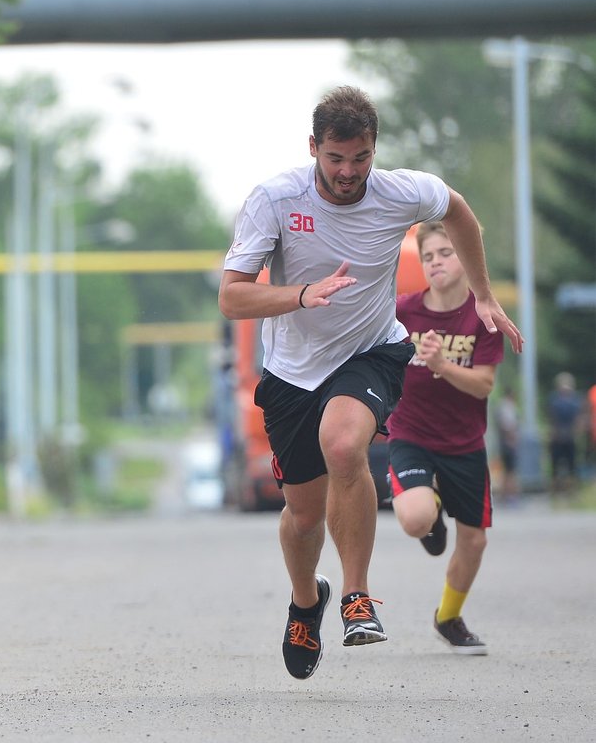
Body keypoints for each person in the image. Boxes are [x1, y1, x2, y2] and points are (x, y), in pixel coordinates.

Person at [218, 86, 523, 681]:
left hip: (371, 350)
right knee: (302, 516)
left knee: (344, 443)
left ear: (373, 150)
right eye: (335, 158)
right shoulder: (276, 199)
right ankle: (308, 601)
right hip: (291, 370)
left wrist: (484, 294)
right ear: (314, 148)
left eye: (360, 158)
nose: (348, 172)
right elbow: (232, 296)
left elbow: (457, 211)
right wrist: (302, 294)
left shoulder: (400, 192)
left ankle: (357, 597)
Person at [386, 221, 504, 656]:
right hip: (411, 434)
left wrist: (440, 363)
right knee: (415, 519)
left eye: (446, 253)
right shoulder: (402, 311)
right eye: (429, 255)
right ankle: (428, 511)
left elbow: (484, 386)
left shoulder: (484, 315)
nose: (436, 262)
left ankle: (448, 618)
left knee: (473, 540)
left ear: (469, 257)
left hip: (465, 444)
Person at [547, 371, 583, 497]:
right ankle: (557, 491)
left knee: (570, 465)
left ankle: (570, 491)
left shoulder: (573, 401)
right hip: (560, 436)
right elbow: (552, 418)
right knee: (556, 466)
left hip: (567, 435)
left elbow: (577, 420)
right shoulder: (557, 400)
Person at [494, 389, 520, 504]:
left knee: (506, 470)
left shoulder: (501, 407)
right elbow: (507, 426)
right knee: (511, 471)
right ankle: (510, 495)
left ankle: (504, 495)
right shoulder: (508, 407)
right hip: (508, 444)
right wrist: (512, 439)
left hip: (503, 443)